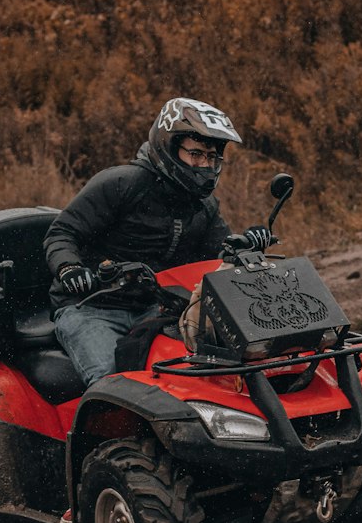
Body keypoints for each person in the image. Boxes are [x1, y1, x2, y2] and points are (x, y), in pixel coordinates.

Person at [44, 97, 272, 388]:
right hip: (90, 307)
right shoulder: (121, 184)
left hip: (156, 309)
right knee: (112, 383)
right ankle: (107, 434)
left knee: (199, 373)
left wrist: (246, 244)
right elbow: (62, 232)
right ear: (169, 146)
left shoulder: (203, 206)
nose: (204, 164)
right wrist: (69, 268)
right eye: (196, 154)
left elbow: (218, 253)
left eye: (212, 157)